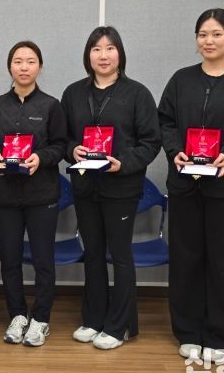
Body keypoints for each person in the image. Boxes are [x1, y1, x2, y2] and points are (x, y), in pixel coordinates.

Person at [158, 8, 224, 363]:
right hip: (185, 186)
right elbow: (165, 122)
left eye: (217, 34)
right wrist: (174, 149)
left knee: (222, 263)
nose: (209, 41)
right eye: (203, 34)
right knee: (185, 260)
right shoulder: (180, 80)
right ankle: (188, 332)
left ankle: (220, 336)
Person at [61, 26, 160, 350]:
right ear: (88, 55)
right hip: (85, 186)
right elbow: (63, 138)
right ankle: (93, 319)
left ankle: (120, 326)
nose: (103, 56)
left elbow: (151, 142)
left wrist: (123, 162)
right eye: (96, 49)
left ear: (120, 54)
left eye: (110, 48)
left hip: (121, 187)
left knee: (120, 255)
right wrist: (72, 149)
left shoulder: (137, 94)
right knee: (92, 254)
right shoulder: (73, 93)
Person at [0, 41, 66, 347]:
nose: (23, 67)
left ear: (40, 67)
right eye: (18, 61)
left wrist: (40, 158)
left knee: (43, 260)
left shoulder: (51, 105)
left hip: (41, 195)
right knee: (10, 259)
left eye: (30, 61)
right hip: (5, 195)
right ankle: (18, 315)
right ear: (10, 67)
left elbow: (60, 145)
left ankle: (41, 319)